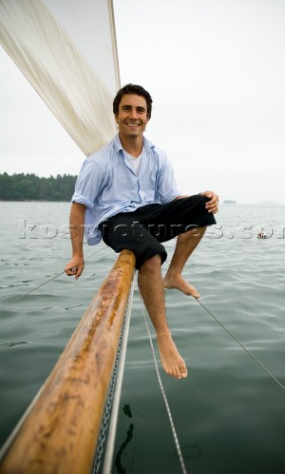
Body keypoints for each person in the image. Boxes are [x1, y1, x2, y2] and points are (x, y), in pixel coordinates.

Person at [64, 84, 219, 380]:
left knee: (202, 208)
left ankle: (173, 275)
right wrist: (76, 254)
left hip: (149, 214)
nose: (133, 116)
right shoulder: (98, 162)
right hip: (116, 221)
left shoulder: (158, 156)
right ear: (116, 115)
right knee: (150, 255)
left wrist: (204, 198)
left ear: (147, 117)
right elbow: (78, 207)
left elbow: (171, 197)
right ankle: (164, 335)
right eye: (127, 109)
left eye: (140, 110)